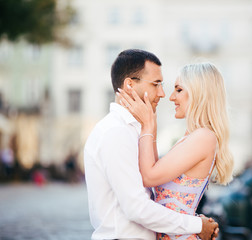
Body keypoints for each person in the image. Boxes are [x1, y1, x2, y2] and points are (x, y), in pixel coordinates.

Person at [84, 49, 219, 240]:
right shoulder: (116, 132)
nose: (163, 94)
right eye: (156, 84)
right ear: (129, 85)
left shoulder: (134, 131)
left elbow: (155, 193)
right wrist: (196, 225)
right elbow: (137, 207)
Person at [116, 62, 234, 239]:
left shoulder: (203, 137)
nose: (171, 97)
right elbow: (155, 170)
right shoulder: (192, 137)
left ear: (198, 93)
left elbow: (148, 177)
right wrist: (151, 126)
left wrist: (148, 125)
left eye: (178, 90)